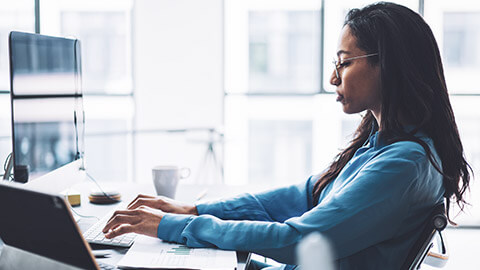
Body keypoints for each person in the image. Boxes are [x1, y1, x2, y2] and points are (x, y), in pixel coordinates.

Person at [102, 2, 471, 269]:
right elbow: (305, 194)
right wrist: (196, 210)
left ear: (387, 65)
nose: (333, 78)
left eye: (344, 62)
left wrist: (177, 226)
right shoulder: (382, 143)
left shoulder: (404, 164)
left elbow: (299, 240)